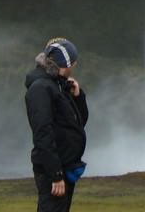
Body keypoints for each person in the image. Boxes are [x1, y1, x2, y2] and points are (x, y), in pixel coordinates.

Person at [25, 37, 89, 212]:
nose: (75, 65)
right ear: (65, 64)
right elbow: (42, 134)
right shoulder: (41, 88)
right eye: (73, 62)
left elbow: (78, 123)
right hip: (53, 170)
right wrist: (56, 174)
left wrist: (78, 96)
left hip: (64, 166)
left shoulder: (58, 85)